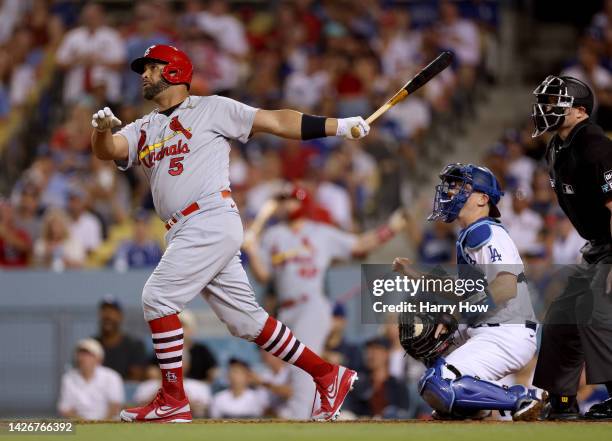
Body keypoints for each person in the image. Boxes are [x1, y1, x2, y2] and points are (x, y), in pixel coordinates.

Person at [90, 44, 370, 422]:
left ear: (173, 72)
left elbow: (276, 121)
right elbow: (108, 151)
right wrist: (101, 131)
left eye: (152, 67)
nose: (144, 74)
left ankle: (173, 398)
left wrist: (338, 126)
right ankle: (328, 374)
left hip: (208, 216)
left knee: (158, 297)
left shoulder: (211, 108)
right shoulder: (144, 126)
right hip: (182, 228)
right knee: (246, 322)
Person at [244, 184, 407, 419]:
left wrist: (389, 230)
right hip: (286, 309)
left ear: (303, 201)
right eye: (284, 200)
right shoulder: (272, 235)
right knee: (296, 367)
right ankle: (320, 414)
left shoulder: (320, 232)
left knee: (301, 370)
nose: (287, 204)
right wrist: (251, 249)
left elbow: (359, 245)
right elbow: (263, 276)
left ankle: (299, 418)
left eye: (291, 200)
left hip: (311, 305)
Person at [393, 163, 541, 420]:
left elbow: (506, 286)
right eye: (452, 185)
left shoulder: (487, 232)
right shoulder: (470, 234)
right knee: (432, 352)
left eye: (462, 186)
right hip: (486, 328)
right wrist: (414, 274)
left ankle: (520, 398)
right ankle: (474, 409)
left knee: (437, 383)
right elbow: (465, 290)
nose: (451, 191)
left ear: (483, 199)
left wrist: (456, 312)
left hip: (507, 332)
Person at [531, 75, 612, 420]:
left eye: (556, 102)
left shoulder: (596, 146)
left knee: (596, 311)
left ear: (580, 111)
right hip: (596, 246)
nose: (547, 108)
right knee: (561, 317)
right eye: (546, 101)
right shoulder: (557, 147)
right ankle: (562, 403)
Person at [57, 338, 124, 420]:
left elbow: (115, 407)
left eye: (88, 354)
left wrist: (102, 425)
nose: (83, 357)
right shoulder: (68, 378)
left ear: (99, 358)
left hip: (108, 425)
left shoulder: (112, 377)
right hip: (80, 425)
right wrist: (84, 423)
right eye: (80, 353)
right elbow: (65, 409)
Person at [345, 337, 410, 419]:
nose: (371, 355)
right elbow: (352, 409)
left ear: (387, 354)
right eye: (368, 351)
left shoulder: (397, 384)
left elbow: (403, 412)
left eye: (376, 351)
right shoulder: (358, 382)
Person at [94, 295, 147, 381]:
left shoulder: (134, 345)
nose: (108, 315)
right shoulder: (92, 345)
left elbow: (135, 378)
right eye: (104, 311)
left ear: (120, 316)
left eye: (112, 311)